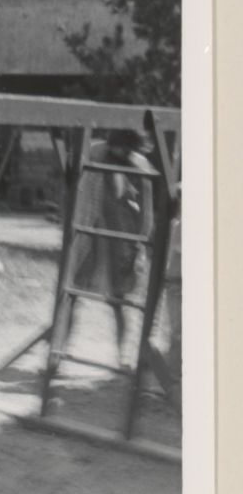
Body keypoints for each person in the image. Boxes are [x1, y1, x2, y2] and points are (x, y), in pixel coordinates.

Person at [66, 128, 155, 368]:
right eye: (121, 148)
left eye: (129, 151)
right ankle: (61, 348)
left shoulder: (139, 164)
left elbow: (146, 211)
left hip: (119, 236)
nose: (125, 153)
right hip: (89, 232)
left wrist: (140, 244)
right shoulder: (95, 152)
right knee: (72, 293)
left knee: (118, 300)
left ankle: (123, 357)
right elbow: (79, 189)